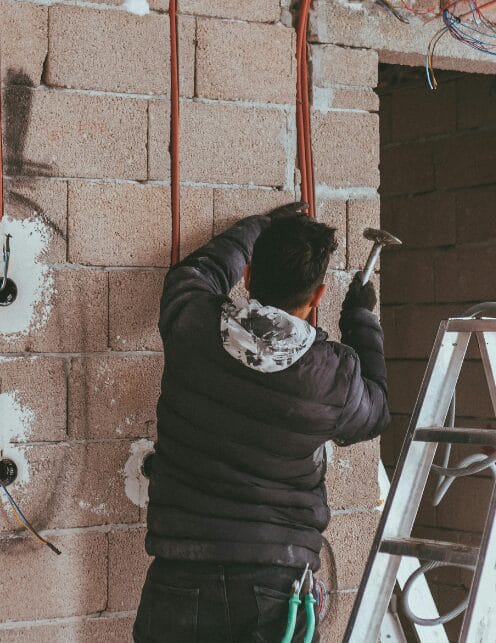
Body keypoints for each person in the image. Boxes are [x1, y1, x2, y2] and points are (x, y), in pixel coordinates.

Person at [133, 202, 390, 643]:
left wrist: (259, 227)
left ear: (248, 278)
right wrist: (361, 319)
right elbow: (376, 411)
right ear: (318, 297)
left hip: (179, 572)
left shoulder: (193, 323)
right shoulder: (333, 377)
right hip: (275, 586)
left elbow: (201, 270)